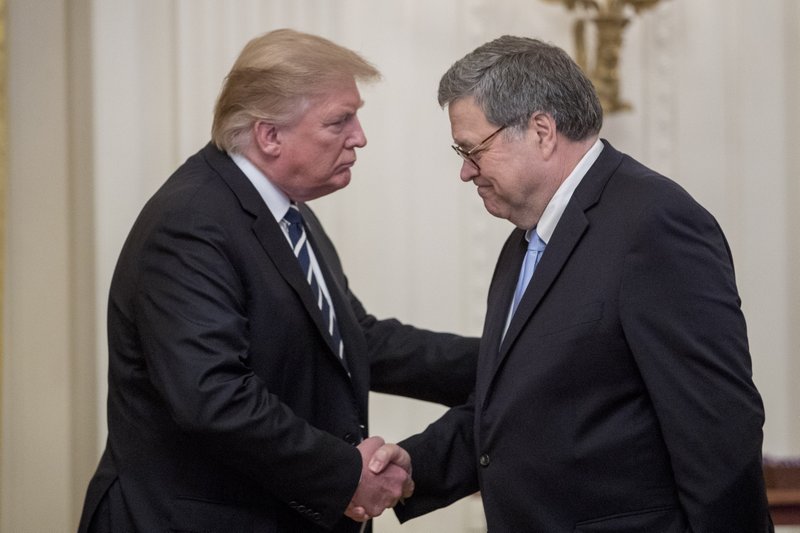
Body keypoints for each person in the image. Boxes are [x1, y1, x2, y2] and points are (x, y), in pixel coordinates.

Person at [77, 29, 478, 533]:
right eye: (340, 120)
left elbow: (356, 340)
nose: (359, 136)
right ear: (269, 135)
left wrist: (508, 359)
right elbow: (214, 397)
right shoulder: (191, 223)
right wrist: (346, 474)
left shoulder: (287, 214)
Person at [387, 35, 774, 531]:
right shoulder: (523, 242)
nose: (465, 172)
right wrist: (409, 468)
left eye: (472, 149)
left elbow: (717, 427)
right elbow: (518, 406)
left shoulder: (653, 223)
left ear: (542, 130)